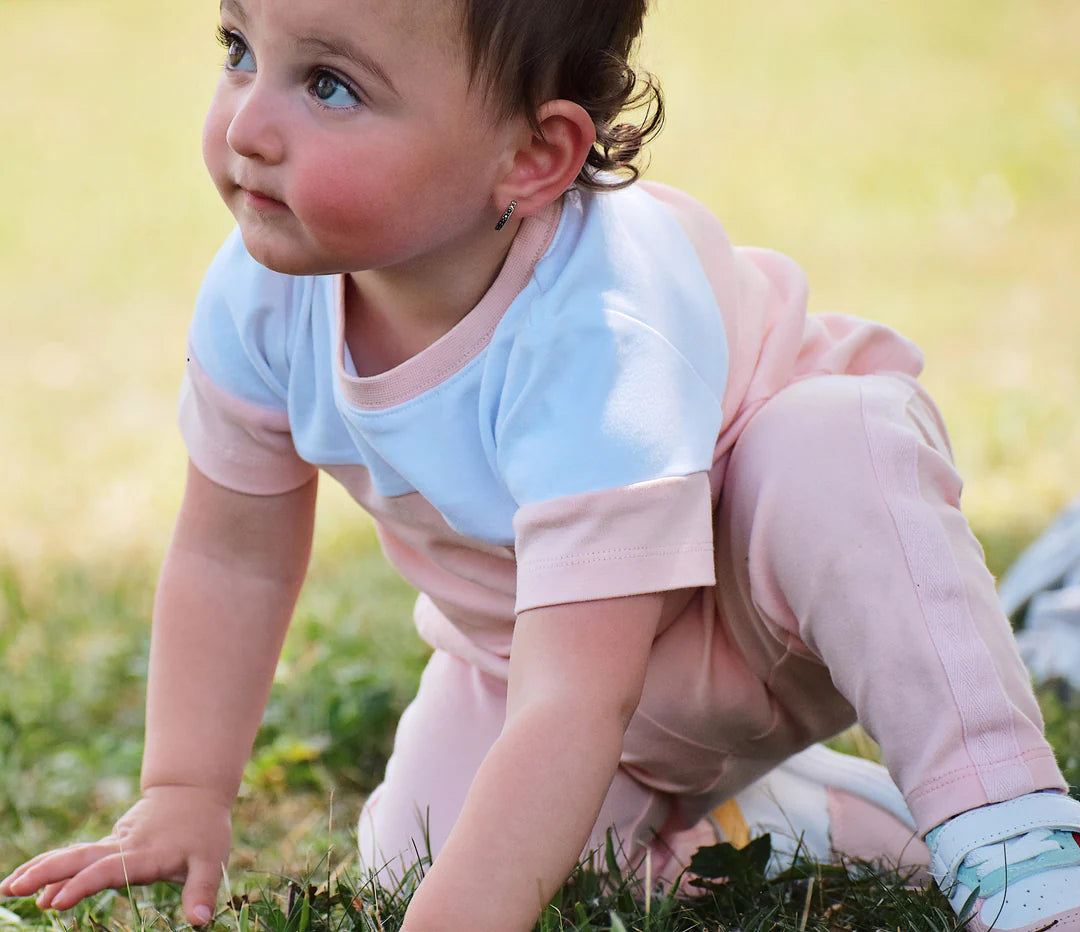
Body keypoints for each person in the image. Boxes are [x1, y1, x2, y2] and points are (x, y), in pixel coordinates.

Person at [2, 0, 1079, 929]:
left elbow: (581, 698)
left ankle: (1009, 828)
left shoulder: (604, 323)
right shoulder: (263, 293)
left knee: (834, 444)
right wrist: (186, 787)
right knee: (419, 850)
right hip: (534, 656)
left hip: (760, 597)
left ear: (530, 156)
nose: (249, 123)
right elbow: (232, 555)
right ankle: (775, 824)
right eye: (240, 47)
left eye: (328, 85)